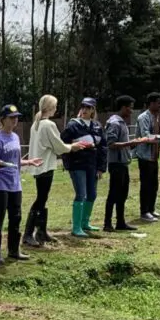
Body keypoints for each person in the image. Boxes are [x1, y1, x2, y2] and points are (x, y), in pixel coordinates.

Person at [0, 104, 42, 264]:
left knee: (16, 217)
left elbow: (16, 162)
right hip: (0, 185)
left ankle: (14, 250)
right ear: (2, 120)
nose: (15, 120)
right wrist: (1, 164)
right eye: (11, 118)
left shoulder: (15, 137)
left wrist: (29, 162)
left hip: (15, 184)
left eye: (16, 117)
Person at [24, 94, 71, 247]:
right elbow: (59, 146)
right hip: (45, 166)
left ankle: (41, 231)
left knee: (42, 198)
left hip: (38, 167)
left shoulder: (36, 124)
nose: (56, 109)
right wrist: (73, 147)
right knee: (41, 199)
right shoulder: (48, 125)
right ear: (50, 107)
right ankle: (28, 233)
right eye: (55, 106)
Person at [62, 98, 103, 237]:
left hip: (92, 165)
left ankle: (85, 223)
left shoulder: (97, 126)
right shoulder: (73, 125)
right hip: (77, 165)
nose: (85, 109)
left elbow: (103, 147)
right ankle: (76, 227)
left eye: (88, 107)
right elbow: (63, 145)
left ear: (93, 110)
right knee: (81, 194)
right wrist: (68, 163)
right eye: (83, 106)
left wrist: (101, 168)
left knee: (92, 194)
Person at [102, 96, 142, 232]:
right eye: (130, 107)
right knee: (113, 193)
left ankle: (120, 222)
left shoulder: (122, 123)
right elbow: (111, 144)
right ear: (123, 107)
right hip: (116, 164)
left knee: (123, 194)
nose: (131, 111)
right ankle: (107, 223)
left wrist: (133, 144)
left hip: (124, 163)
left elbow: (123, 145)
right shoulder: (114, 123)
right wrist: (130, 143)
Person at [133, 94, 160, 222]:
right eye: (158, 103)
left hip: (154, 156)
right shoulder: (144, 117)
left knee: (154, 185)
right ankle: (144, 211)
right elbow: (146, 135)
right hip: (145, 156)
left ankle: (151, 209)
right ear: (151, 103)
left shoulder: (156, 117)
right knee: (146, 185)